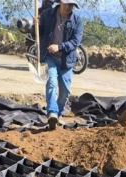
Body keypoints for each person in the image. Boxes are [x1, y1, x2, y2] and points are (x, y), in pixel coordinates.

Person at [38, 0, 84, 130]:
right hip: (50, 57)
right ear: (60, 3)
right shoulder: (48, 14)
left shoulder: (77, 20)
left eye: (71, 5)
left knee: (65, 91)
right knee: (52, 82)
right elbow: (40, 32)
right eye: (67, 4)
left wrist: (59, 47)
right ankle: (52, 112)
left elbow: (75, 42)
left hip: (67, 60)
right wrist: (35, 25)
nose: (69, 7)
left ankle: (57, 115)